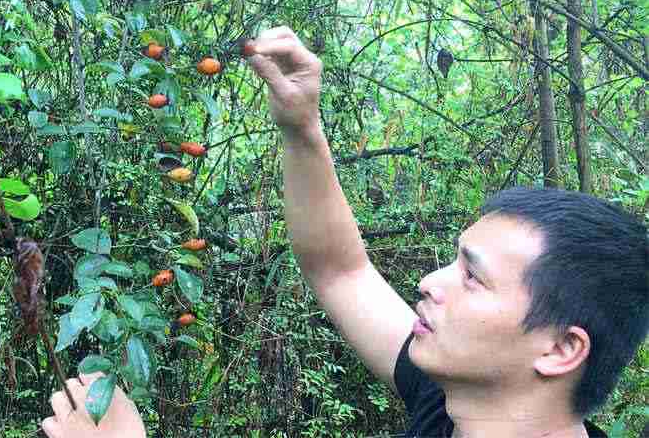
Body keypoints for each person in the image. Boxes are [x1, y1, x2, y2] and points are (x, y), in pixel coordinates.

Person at [41, 27, 649, 438]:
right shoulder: (457, 407)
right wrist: (302, 126)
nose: (430, 280)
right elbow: (341, 270)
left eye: (473, 276)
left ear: (561, 350)